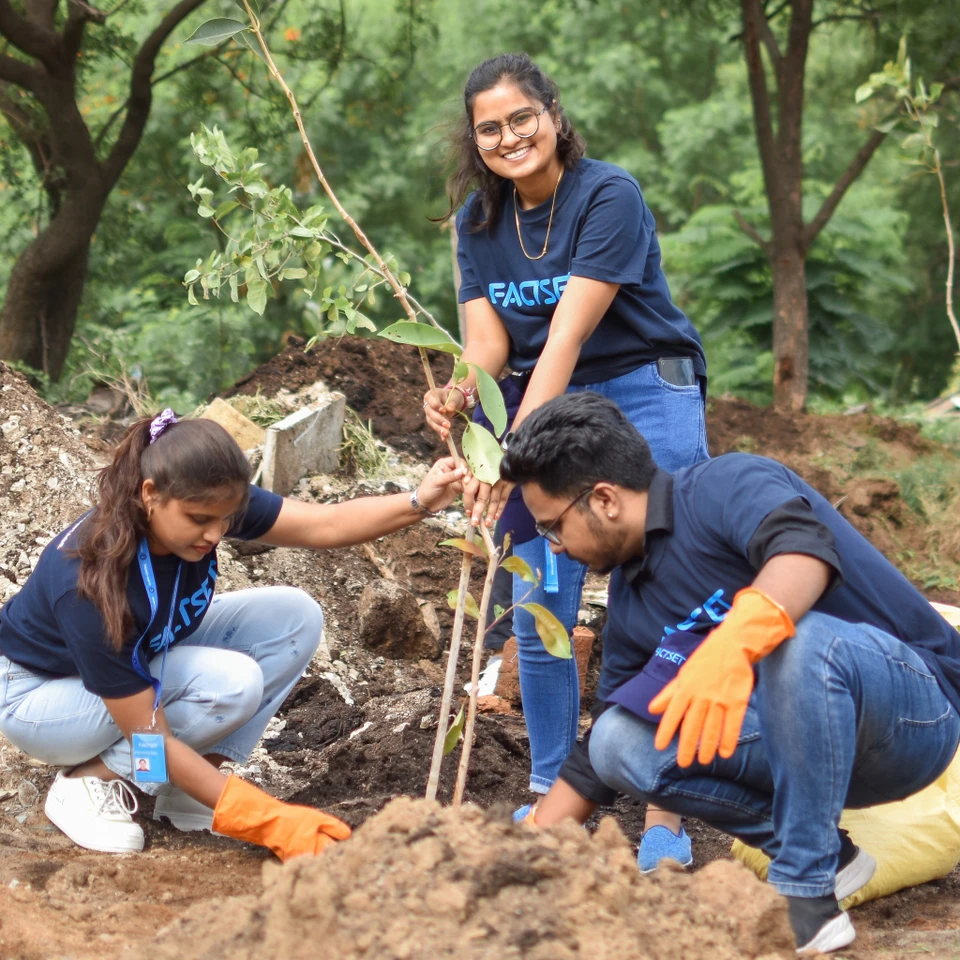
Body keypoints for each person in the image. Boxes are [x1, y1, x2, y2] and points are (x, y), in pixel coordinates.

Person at [499, 392, 960, 953]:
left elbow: (802, 553)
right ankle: (831, 857)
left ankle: (806, 895)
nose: (557, 548)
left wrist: (730, 648)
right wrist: (524, 854)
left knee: (794, 636)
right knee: (619, 740)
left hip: (912, 716)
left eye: (553, 528)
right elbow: (601, 749)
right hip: (805, 755)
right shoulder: (633, 596)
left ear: (604, 499)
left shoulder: (725, 485)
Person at [425, 52, 709, 868]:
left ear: (552, 114)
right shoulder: (479, 224)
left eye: (523, 118)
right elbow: (490, 347)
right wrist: (462, 399)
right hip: (538, 392)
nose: (510, 137)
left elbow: (566, 338)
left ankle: (667, 814)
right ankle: (557, 796)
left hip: (639, 383)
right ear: (475, 140)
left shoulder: (608, 194)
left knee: (662, 580)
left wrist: (508, 455)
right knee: (538, 585)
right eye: (491, 128)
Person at [0, 410, 467, 860]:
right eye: (201, 520)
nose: (215, 535)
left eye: (226, 519)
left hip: (139, 660)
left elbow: (324, 524)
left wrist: (419, 502)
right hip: (37, 698)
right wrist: (268, 820)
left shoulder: (209, 502)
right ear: (150, 494)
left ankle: (190, 791)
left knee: (292, 617)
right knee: (227, 684)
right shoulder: (90, 582)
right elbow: (150, 736)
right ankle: (90, 780)